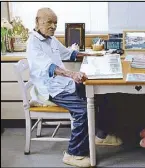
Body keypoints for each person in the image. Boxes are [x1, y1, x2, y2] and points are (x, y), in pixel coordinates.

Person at [27, 8, 122, 167]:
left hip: (63, 84)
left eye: (55, 23)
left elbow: (69, 54)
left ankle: (101, 135)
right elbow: (50, 68)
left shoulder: (51, 39)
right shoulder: (33, 43)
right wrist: (72, 74)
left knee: (102, 93)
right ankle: (73, 154)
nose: (53, 26)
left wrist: (96, 55)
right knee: (83, 110)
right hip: (51, 89)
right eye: (49, 22)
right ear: (37, 21)